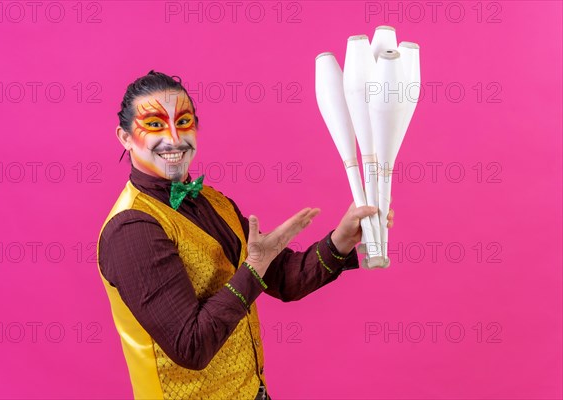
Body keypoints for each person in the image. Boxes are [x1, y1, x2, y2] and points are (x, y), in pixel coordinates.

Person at [96, 70, 394, 400]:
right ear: (124, 137)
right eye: (154, 125)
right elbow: (191, 346)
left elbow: (282, 279)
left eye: (183, 122)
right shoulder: (132, 229)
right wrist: (253, 270)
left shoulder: (214, 202)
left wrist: (342, 238)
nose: (174, 138)